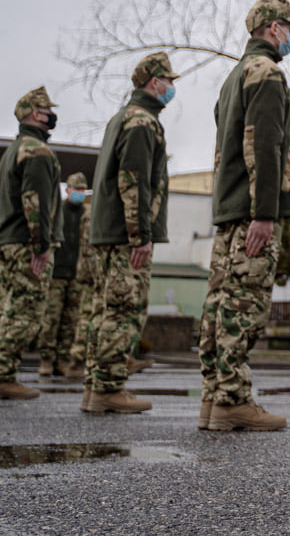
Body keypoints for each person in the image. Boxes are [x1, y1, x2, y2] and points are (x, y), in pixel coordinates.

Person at [198, 0, 290, 434]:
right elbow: (264, 144)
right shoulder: (266, 73)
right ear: (274, 28)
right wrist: (265, 212)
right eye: (288, 29)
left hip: (230, 209)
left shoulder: (234, 76)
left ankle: (214, 396)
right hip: (251, 211)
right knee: (245, 304)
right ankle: (232, 400)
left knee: (220, 303)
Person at [82, 52, 178, 416]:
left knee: (105, 310)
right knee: (123, 311)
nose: (171, 87)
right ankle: (108, 388)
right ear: (154, 82)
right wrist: (140, 235)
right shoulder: (141, 122)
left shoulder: (122, 117)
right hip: (126, 236)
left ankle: (96, 385)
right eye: (168, 81)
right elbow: (133, 181)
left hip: (109, 232)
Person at [0, 87, 61, 401]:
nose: (52, 116)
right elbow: (35, 200)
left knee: (6, 310)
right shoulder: (37, 151)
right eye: (48, 111)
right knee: (24, 312)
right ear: (36, 114)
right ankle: (2, 377)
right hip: (26, 243)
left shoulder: (14, 149)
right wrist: (40, 244)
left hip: (9, 240)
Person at [38, 173, 90, 379]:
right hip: (57, 272)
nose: (79, 193)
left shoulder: (87, 214)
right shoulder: (58, 210)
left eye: (82, 189)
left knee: (71, 320)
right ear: (67, 189)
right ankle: (45, 358)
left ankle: (63, 359)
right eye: (76, 189)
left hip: (77, 273)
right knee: (51, 317)